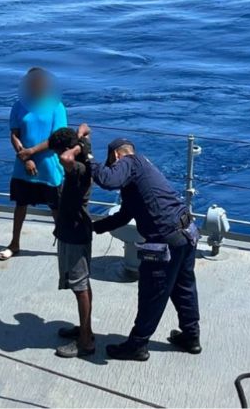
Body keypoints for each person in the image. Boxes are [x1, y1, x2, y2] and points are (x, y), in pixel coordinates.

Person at [82, 127, 200, 361]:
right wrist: (95, 227)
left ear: (116, 156)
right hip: (187, 232)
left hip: (166, 239)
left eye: (112, 163)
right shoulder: (140, 172)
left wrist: (88, 157)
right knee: (183, 287)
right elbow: (125, 215)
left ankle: (137, 345)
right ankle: (191, 336)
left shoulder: (129, 162)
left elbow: (107, 180)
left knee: (152, 292)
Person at [0, 67, 67, 261]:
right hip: (23, 168)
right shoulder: (18, 106)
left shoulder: (57, 107)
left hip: (49, 168)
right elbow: (14, 134)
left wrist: (31, 152)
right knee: (20, 205)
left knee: (56, 208)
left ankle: (63, 245)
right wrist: (26, 158)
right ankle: (14, 243)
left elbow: (58, 137)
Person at [51, 127, 96, 359]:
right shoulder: (84, 158)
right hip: (73, 230)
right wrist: (80, 139)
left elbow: (66, 158)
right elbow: (86, 129)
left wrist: (75, 145)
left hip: (75, 232)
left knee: (80, 287)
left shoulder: (78, 167)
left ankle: (85, 341)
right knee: (82, 284)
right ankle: (85, 328)